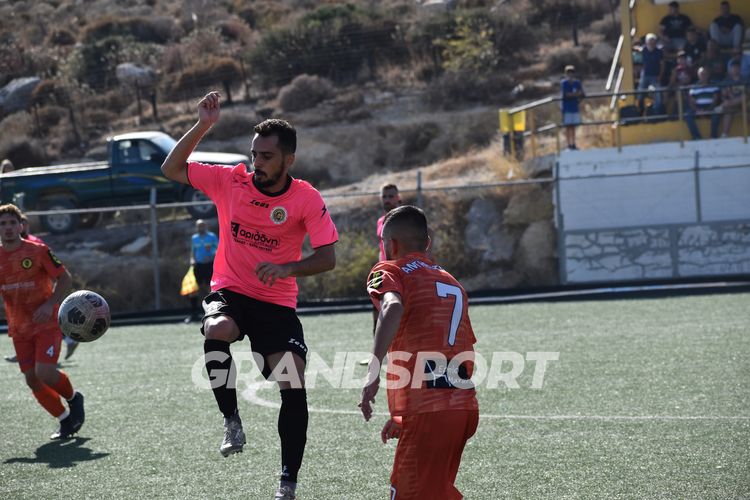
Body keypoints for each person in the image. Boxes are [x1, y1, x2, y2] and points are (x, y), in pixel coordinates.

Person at [161, 91, 338, 500]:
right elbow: (171, 169)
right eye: (254, 154)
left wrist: (288, 268)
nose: (257, 162)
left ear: (288, 160)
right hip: (231, 289)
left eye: (267, 156)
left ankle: (288, 482)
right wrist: (203, 125)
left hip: (276, 302)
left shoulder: (306, 198)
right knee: (217, 329)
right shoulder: (231, 181)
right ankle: (231, 421)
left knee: (292, 380)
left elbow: (327, 257)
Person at [359, 205, 479, 500]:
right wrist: (406, 415)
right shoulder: (451, 281)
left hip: (430, 410)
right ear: (427, 243)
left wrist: (373, 372)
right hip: (462, 406)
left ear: (391, 245)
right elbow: (456, 351)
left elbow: (392, 307)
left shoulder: (390, 269)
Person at [0, 203, 85, 439]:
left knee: (44, 372)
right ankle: (64, 419)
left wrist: (49, 305)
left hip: (46, 323)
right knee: (32, 380)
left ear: (21, 226)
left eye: (12, 223)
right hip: (19, 327)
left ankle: (74, 398)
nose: (7, 227)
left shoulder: (38, 251)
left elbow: (64, 278)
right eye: (2, 224)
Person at [4, 214, 80, 363]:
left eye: (15, 223)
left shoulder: (34, 244)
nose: (9, 227)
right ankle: (25, 353)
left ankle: (67, 341)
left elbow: (54, 269)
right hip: (20, 296)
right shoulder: (9, 246)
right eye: (5, 223)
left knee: (43, 321)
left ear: (22, 226)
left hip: (37, 293)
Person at [359, 184, 402, 366]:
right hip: (384, 273)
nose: (387, 200)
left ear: (398, 197)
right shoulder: (380, 221)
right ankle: (378, 355)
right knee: (377, 314)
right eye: (384, 196)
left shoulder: (405, 218)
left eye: (391, 196)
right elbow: (381, 248)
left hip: (400, 272)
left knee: (399, 313)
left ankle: (402, 353)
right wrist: (379, 268)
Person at [184, 218, 218, 323]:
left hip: (209, 265)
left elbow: (219, 249)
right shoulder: (194, 238)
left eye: (202, 225)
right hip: (198, 266)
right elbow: (192, 252)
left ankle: (213, 313)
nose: (200, 227)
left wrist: (212, 255)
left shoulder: (212, 236)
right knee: (193, 290)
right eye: (199, 226)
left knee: (210, 289)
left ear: (206, 226)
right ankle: (194, 314)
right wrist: (192, 260)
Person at [684, 67, 721, 140]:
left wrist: (708, 110)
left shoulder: (714, 85)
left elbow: (715, 100)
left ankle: (713, 136)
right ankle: (696, 137)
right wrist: (698, 110)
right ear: (698, 75)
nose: (703, 76)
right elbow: (691, 102)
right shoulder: (694, 87)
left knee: (716, 114)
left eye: (705, 74)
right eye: (701, 74)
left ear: (708, 75)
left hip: (711, 107)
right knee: (688, 115)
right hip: (698, 108)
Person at [718, 60, 747, 137]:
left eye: (737, 67)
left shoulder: (746, 80)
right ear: (730, 69)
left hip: (745, 104)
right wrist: (727, 95)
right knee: (728, 111)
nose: (735, 69)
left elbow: (748, 93)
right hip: (732, 105)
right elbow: (723, 95)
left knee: (744, 97)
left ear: (740, 68)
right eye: (733, 67)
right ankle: (725, 134)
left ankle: (723, 106)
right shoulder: (726, 81)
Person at [639, 33, 665, 113]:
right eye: (649, 41)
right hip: (645, 75)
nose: (651, 43)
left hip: (655, 76)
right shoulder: (644, 50)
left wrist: (660, 76)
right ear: (646, 42)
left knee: (658, 94)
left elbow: (662, 65)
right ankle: (640, 109)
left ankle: (658, 111)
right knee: (640, 92)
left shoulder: (659, 52)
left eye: (653, 41)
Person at [560, 65, 585, 150]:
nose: (570, 75)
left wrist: (577, 100)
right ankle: (568, 144)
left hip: (574, 108)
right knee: (568, 126)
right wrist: (575, 94)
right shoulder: (564, 83)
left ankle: (573, 144)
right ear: (566, 74)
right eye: (568, 73)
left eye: (571, 73)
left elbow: (582, 94)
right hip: (567, 108)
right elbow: (566, 94)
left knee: (573, 127)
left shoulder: (577, 83)